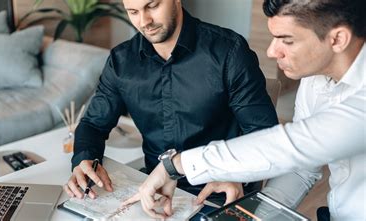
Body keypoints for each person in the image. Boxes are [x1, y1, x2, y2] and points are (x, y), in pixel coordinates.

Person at [124, 0, 366, 220]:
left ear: (337, 39)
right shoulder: (315, 80)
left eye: (287, 40)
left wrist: (175, 165)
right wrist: (250, 216)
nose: (272, 52)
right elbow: (301, 168)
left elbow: (291, 146)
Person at [63, 0, 278, 206]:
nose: (144, 21)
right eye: (133, 12)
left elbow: (264, 134)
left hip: (219, 192)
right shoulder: (121, 62)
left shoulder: (228, 52)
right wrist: (84, 160)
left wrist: (238, 176)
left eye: (153, 6)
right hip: (154, 191)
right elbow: (93, 124)